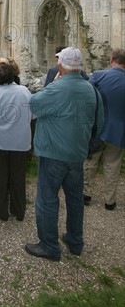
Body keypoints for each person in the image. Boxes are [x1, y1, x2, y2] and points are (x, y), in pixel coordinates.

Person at [25, 47, 104, 261]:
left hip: (53, 152)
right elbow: (100, 120)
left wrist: (53, 84)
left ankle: (49, 245)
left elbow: (34, 104)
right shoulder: (90, 89)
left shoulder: (58, 88)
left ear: (61, 65)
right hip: (77, 152)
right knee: (75, 199)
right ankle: (75, 241)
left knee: (47, 199)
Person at [83, 48, 125, 210]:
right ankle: (110, 201)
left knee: (90, 161)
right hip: (118, 130)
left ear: (112, 60)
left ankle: (85, 193)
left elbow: (86, 97)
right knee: (112, 165)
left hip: (97, 127)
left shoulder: (98, 76)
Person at [0, 63, 32, 222]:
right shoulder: (25, 91)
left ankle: (1, 211)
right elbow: (32, 115)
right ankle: (18, 210)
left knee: (0, 178)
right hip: (20, 141)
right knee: (18, 177)